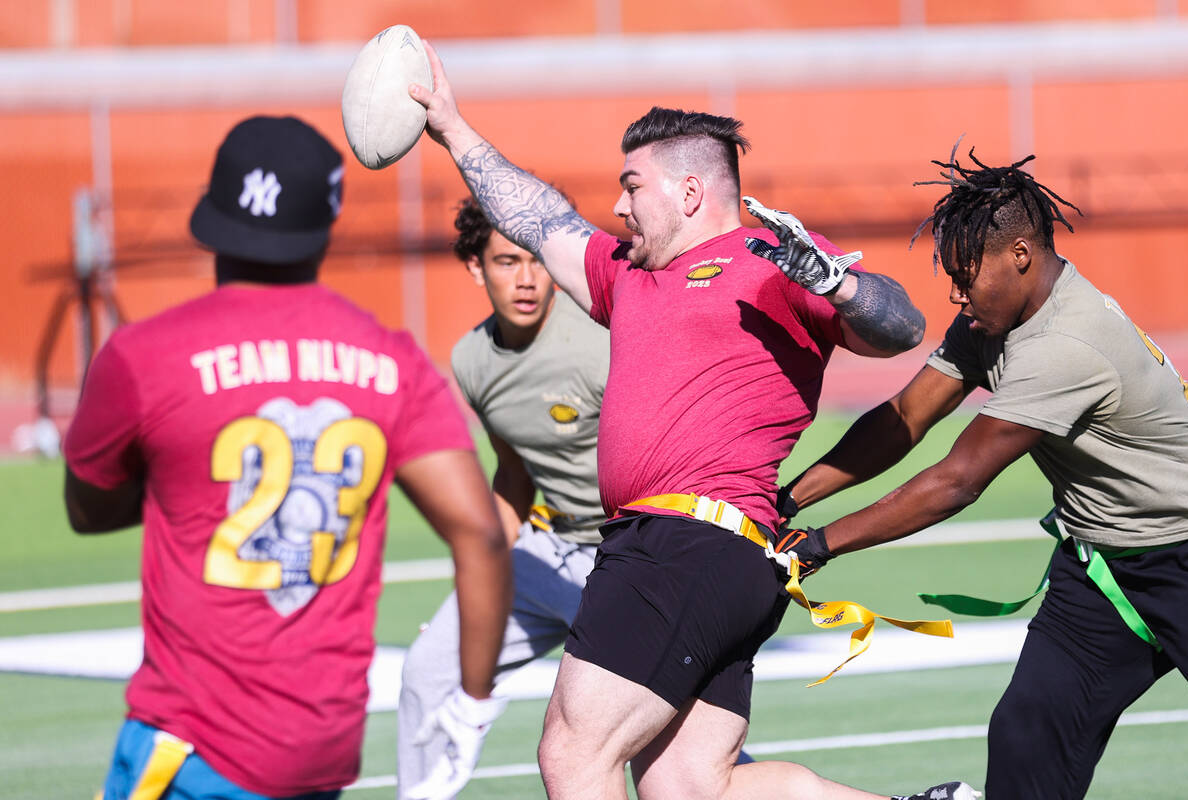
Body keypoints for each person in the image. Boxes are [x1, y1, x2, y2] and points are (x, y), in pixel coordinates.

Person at [407, 43, 976, 800]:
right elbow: (538, 216)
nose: (618, 206)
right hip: (713, 557)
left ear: (685, 190)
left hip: (683, 544)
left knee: (574, 756)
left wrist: (840, 286)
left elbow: (900, 329)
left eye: (630, 186)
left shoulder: (771, 258)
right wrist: (451, 127)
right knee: (688, 786)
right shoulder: (628, 273)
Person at [61, 115, 512, 800]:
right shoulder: (390, 359)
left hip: (192, 744)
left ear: (212, 218)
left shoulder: (141, 356)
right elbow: (480, 534)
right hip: (321, 752)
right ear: (326, 223)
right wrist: (474, 700)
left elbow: (86, 510)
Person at [777, 145, 1188, 798]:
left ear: (1021, 256)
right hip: (1105, 571)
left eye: (965, 275)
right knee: (1027, 740)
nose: (957, 294)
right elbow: (905, 418)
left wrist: (821, 546)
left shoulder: (1064, 346)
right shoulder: (997, 315)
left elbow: (958, 479)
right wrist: (790, 499)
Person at [397, 197, 609, 799]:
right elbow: (513, 474)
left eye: (537, 260)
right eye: (505, 261)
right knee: (427, 673)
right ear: (475, 267)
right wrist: (480, 580)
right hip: (546, 551)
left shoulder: (601, 333)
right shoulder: (470, 361)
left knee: (668, 732)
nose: (525, 278)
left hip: (630, 556)